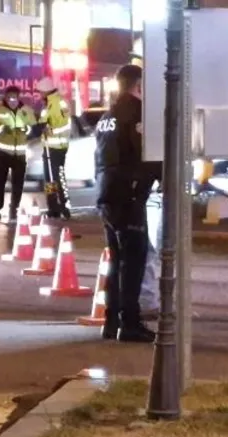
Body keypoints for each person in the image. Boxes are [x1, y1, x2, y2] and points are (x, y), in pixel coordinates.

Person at [94, 64, 158, 343]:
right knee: (133, 261)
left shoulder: (107, 117)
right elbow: (147, 155)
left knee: (117, 260)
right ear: (139, 86)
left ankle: (111, 321)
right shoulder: (136, 113)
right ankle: (130, 323)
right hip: (128, 194)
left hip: (107, 194)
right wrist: (163, 176)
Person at [0, 85, 35, 223]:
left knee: (18, 184)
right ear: (5, 97)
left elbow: (33, 128)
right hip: (3, 153)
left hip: (20, 154)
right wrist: (1, 129)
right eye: (10, 97)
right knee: (0, 182)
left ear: (19, 97)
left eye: (15, 97)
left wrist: (26, 129)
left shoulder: (26, 111)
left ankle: (14, 209)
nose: (12, 100)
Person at [35, 77, 73, 220]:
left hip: (56, 147)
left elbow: (65, 125)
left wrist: (49, 131)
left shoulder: (57, 103)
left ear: (45, 91)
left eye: (40, 92)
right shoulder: (49, 104)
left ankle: (64, 205)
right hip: (49, 146)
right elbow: (43, 123)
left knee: (57, 177)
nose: (39, 94)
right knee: (49, 179)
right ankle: (53, 208)